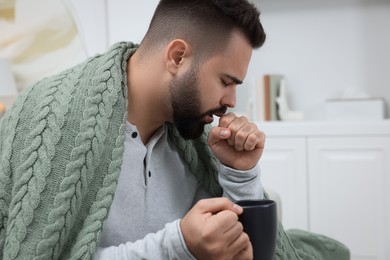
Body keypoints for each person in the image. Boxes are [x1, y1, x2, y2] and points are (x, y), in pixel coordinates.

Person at [0, 0, 350, 259]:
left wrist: (239, 175)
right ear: (178, 56)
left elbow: (243, 247)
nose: (231, 101)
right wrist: (179, 245)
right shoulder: (60, 122)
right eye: (226, 81)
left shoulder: (191, 136)